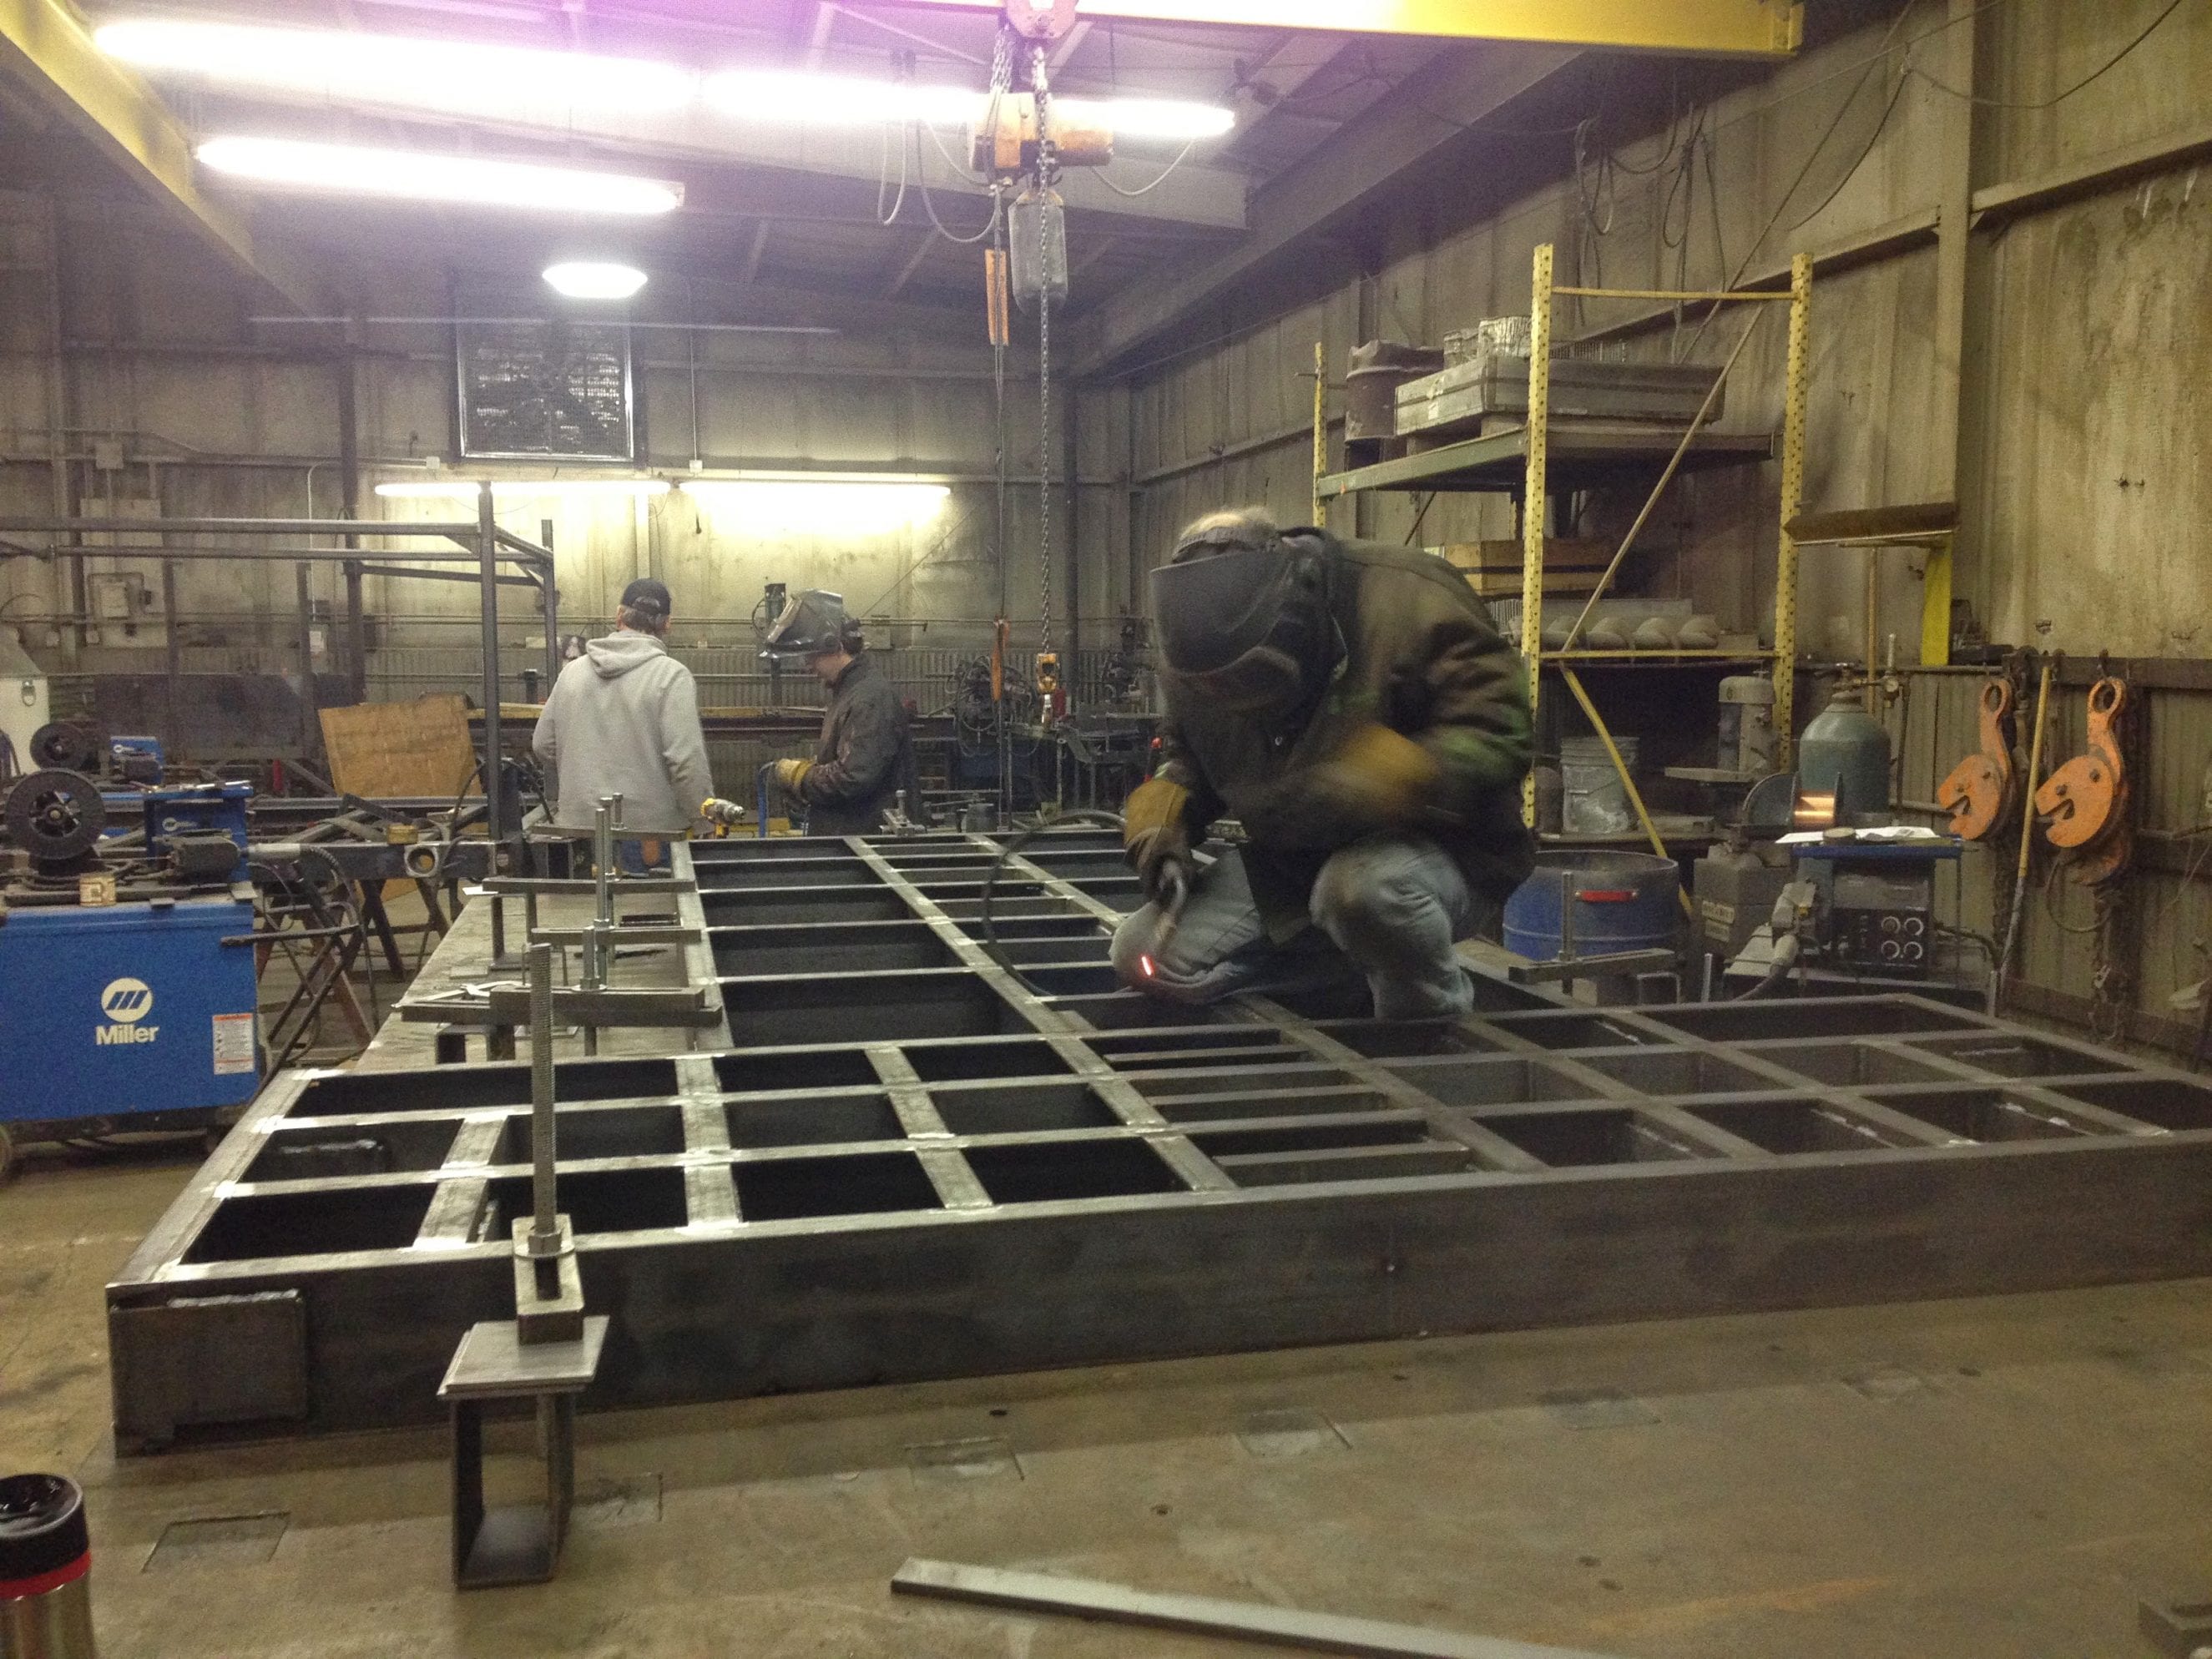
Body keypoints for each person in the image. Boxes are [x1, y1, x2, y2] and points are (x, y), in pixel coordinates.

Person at [1112, 507, 1534, 1021]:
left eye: (1250, 681)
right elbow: (1185, 757)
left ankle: (1428, 1021)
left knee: (1360, 893)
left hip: (1435, 854)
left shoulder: (1408, 596)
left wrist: (1389, 778)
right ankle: (1347, 977)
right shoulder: (1195, 655)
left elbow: (1500, 730)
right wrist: (1160, 825)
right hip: (1293, 860)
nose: (1237, 699)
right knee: (1139, 954)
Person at [532, 577, 714, 868]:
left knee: (582, 898)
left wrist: (584, 774)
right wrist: (704, 820)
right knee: (648, 898)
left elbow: (542, 745)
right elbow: (685, 761)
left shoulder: (571, 673)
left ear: (619, 617)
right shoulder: (671, 676)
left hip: (578, 831)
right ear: (667, 624)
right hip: (649, 833)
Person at [761, 589, 917, 835]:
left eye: (812, 656)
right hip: (850, 837)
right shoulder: (850, 692)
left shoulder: (870, 698)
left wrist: (802, 777)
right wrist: (814, 770)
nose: (808, 665)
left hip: (867, 842)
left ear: (836, 646)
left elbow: (853, 778)